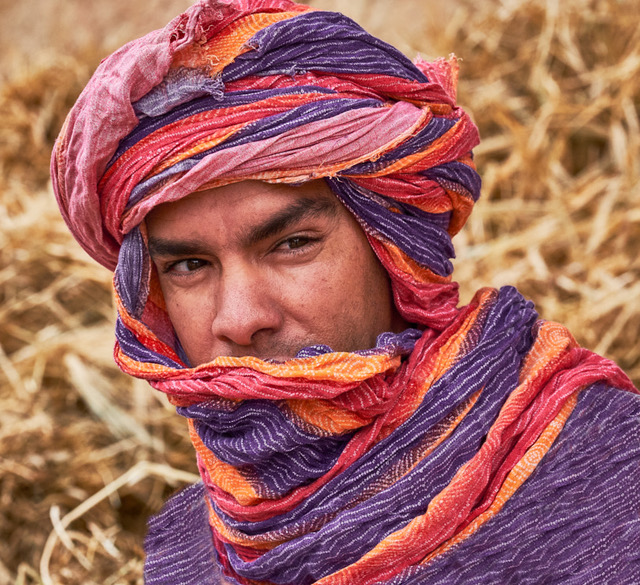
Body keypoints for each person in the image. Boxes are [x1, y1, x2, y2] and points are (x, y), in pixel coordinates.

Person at [51, 0, 640, 583]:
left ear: (396, 246)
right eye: (189, 265)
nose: (238, 319)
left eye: (292, 244)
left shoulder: (606, 477)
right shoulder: (197, 551)